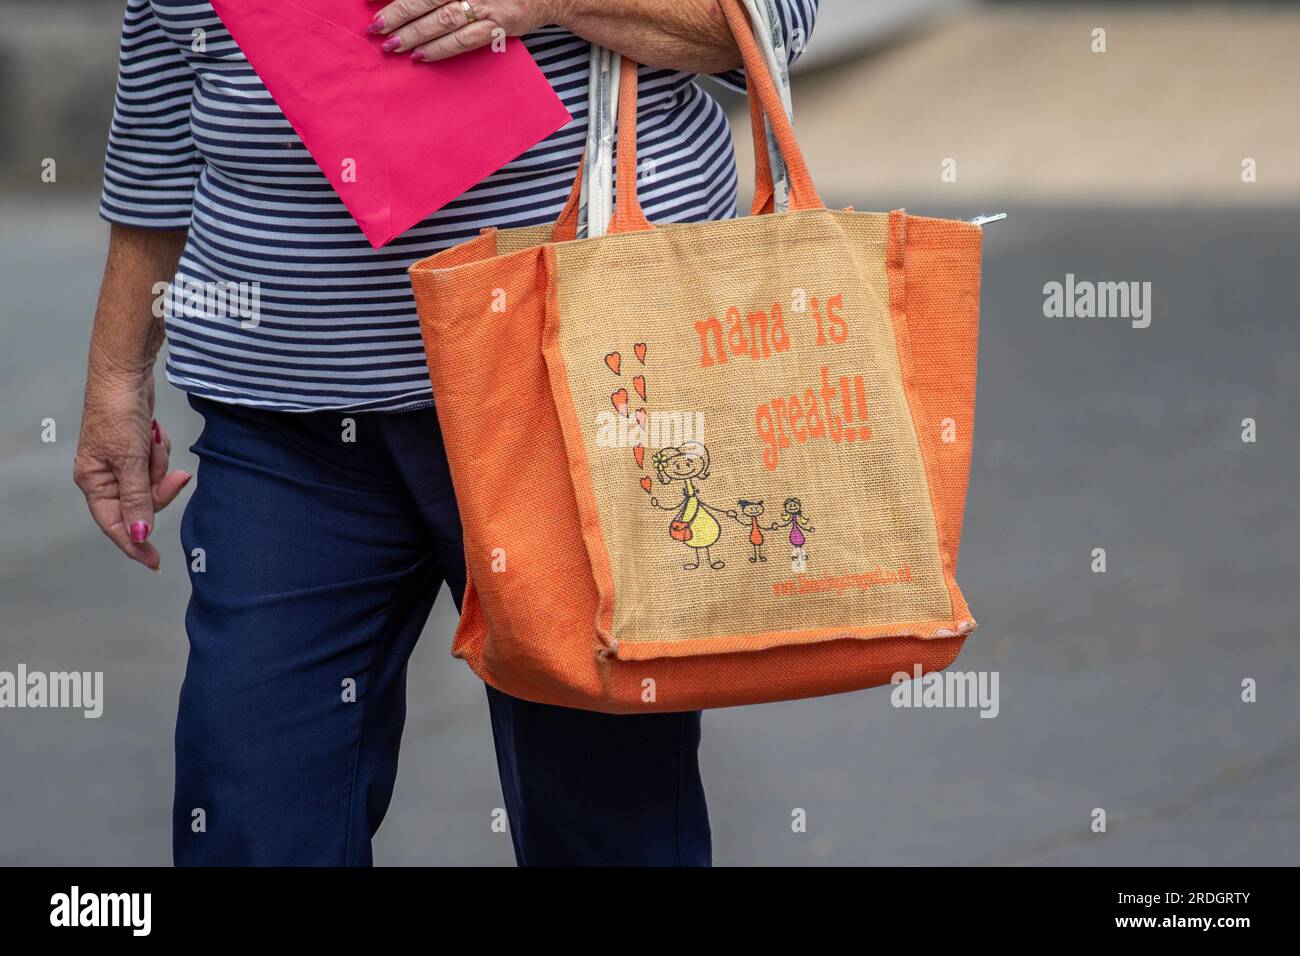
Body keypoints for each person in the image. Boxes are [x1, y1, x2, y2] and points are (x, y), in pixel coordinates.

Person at [76, 0, 818, 866]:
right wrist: (116, 379)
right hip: (288, 423)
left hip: (582, 391)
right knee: (250, 814)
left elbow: (770, 20)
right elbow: (161, 138)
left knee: (610, 825)